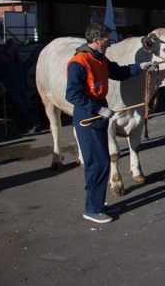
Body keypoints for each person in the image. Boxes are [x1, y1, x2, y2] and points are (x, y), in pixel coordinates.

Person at [65, 23, 152, 224]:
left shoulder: (101, 59)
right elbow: (72, 94)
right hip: (88, 114)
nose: (110, 43)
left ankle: (96, 202)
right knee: (98, 162)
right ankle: (92, 209)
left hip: (98, 109)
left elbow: (119, 73)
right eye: (107, 39)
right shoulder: (79, 62)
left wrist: (140, 67)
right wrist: (98, 109)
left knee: (101, 160)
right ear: (96, 40)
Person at [0, 38, 41, 134]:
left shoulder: (16, 57)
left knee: (21, 106)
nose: (18, 47)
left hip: (21, 85)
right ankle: (33, 123)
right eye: (16, 45)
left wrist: (33, 56)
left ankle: (22, 127)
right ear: (11, 46)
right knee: (20, 105)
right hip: (9, 86)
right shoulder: (0, 57)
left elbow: (23, 68)